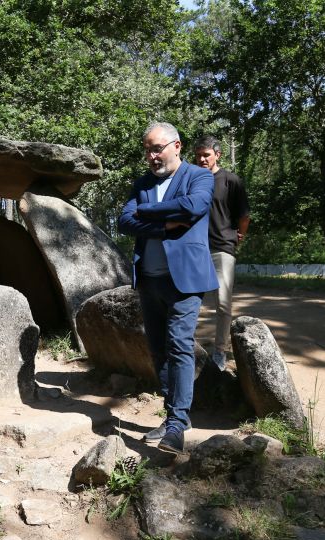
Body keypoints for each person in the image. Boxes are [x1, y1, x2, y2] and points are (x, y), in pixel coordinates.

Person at [118, 122, 218, 454]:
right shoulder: (143, 183)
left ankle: (176, 423)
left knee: (179, 346)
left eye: (157, 148)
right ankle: (175, 413)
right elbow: (124, 221)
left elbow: (194, 208)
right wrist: (163, 224)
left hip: (185, 280)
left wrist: (144, 212)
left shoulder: (199, 177)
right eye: (147, 149)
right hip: (149, 278)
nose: (151, 156)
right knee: (158, 350)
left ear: (177, 146)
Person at [194, 136, 251, 371]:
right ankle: (189, 350)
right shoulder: (192, 180)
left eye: (206, 154)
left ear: (217, 154)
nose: (201, 159)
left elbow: (244, 215)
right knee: (189, 303)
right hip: (195, 250)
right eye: (198, 155)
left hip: (222, 249)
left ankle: (220, 352)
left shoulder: (231, 181)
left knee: (223, 305)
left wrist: (241, 235)